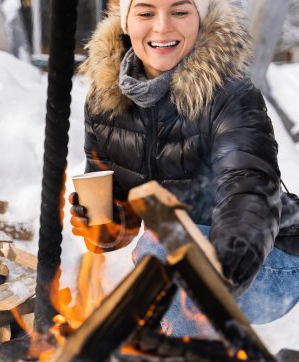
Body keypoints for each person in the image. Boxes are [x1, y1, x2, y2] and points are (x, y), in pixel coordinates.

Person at [69, 0, 299, 335]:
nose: (162, 27)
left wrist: (218, 275)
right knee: (157, 258)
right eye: (146, 13)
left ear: (201, 19)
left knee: (162, 252)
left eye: (180, 11)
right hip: (176, 249)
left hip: (270, 260)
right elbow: (121, 206)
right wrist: (104, 224)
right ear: (125, 22)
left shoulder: (230, 95)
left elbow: (249, 194)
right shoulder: (106, 100)